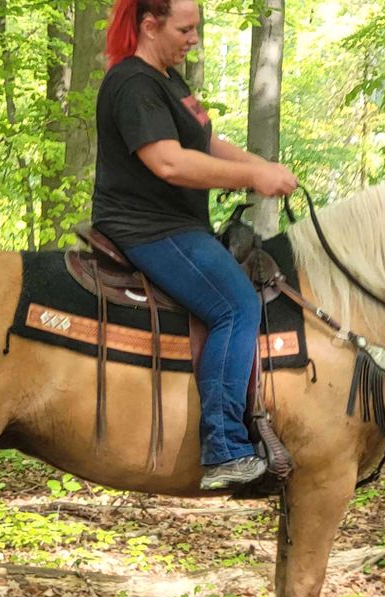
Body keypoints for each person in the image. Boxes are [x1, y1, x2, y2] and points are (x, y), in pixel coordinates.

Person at [92, 0, 298, 491]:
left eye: (196, 28)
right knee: (236, 305)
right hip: (146, 227)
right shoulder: (133, 84)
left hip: (178, 224)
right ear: (149, 25)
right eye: (185, 29)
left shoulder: (170, 81)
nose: (194, 38)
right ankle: (225, 447)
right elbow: (170, 163)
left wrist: (264, 166)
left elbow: (204, 144)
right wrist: (253, 175)